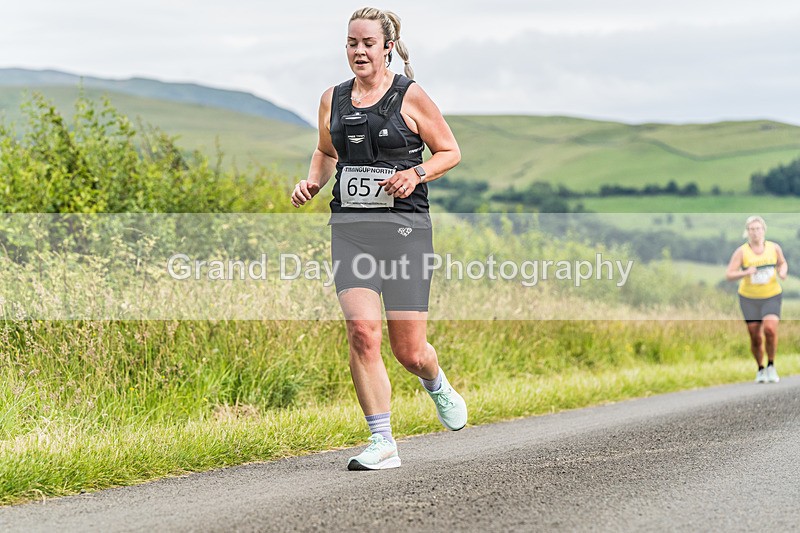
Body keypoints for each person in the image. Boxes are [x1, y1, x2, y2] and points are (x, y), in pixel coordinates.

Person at [290, 7, 467, 470]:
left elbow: (450, 151)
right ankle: (382, 441)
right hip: (350, 233)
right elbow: (325, 151)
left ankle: (436, 382)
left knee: (409, 351)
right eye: (352, 43)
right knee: (363, 333)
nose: (359, 51)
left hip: (405, 232)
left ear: (388, 46)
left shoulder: (411, 96)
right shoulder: (332, 98)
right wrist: (313, 181)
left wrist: (415, 173)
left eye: (368, 43)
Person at [726, 215, 789, 384]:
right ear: (747, 232)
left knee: (770, 330)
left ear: (764, 230)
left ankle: (771, 365)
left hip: (771, 295)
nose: (755, 233)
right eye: (751, 230)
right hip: (749, 298)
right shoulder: (741, 252)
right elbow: (730, 274)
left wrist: (782, 272)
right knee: (755, 336)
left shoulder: (774, 248)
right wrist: (745, 272)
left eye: (758, 229)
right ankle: (760, 368)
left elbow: (782, 263)